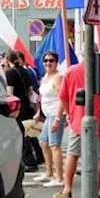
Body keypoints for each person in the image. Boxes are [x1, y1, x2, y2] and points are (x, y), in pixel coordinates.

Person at [55, 56, 100, 198]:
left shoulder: (71, 71)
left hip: (78, 117)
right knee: (98, 157)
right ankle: (94, 193)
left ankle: (67, 189)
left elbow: (63, 96)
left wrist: (69, 113)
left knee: (73, 154)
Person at [35, 50, 66, 187]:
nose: (48, 63)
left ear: (56, 62)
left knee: (54, 145)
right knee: (43, 142)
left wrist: (58, 119)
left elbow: (62, 99)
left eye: (51, 60)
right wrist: (38, 112)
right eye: (46, 61)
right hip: (48, 114)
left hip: (55, 114)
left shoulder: (58, 77)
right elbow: (42, 97)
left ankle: (59, 178)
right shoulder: (46, 76)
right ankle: (49, 172)